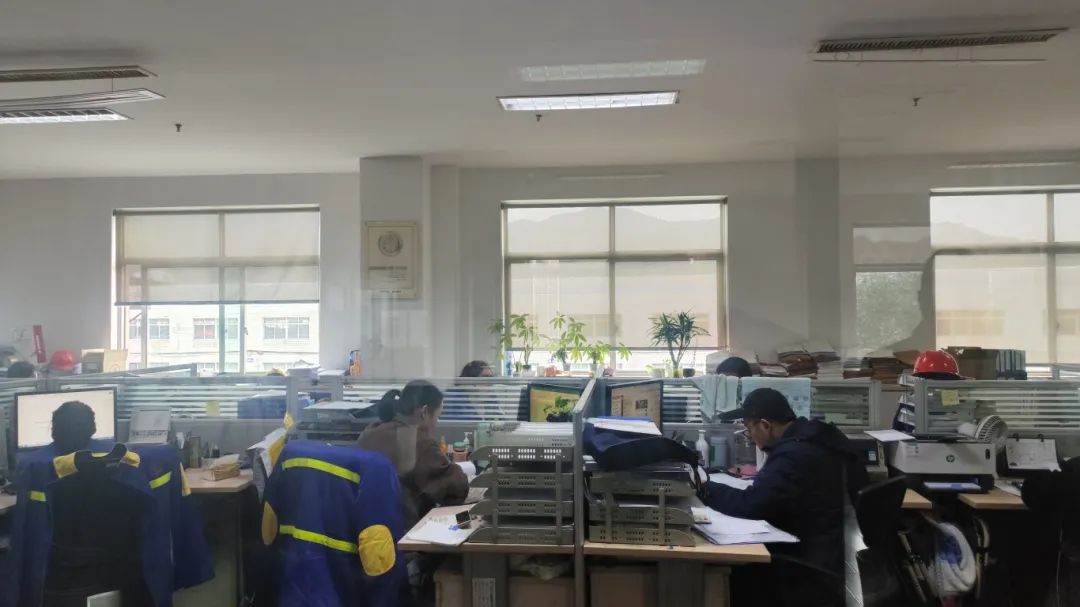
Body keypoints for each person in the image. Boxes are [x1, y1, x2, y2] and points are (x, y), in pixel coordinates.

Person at [700, 388, 868, 607]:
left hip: (810, 569)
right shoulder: (819, 437)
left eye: (749, 429)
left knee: (726, 570)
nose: (750, 437)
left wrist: (704, 488)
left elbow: (751, 505)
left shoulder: (794, 455)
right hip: (836, 555)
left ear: (765, 425)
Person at [357, 380, 468, 527]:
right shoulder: (419, 442)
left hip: (367, 528)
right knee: (467, 521)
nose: (436, 423)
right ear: (424, 412)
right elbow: (457, 489)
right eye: (437, 416)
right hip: (404, 530)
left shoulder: (370, 432)